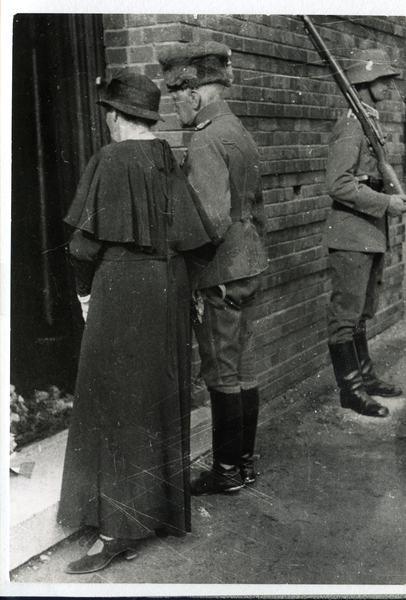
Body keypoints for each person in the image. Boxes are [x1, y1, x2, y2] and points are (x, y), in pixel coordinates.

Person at [57, 67, 218, 574]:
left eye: (108, 113)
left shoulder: (110, 159)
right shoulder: (166, 157)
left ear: (115, 116)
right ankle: (159, 513)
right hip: (167, 288)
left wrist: (84, 295)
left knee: (117, 406)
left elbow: (83, 245)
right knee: (155, 399)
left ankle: (116, 533)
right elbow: (197, 240)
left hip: (121, 291)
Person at [158, 42, 268, 495]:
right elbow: (255, 208)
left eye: (176, 96)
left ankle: (226, 472)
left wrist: (176, 251)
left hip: (219, 270)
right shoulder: (235, 128)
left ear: (194, 90)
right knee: (243, 368)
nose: (174, 105)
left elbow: (210, 220)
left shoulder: (205, 138)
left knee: (222, 372)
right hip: (248, 262)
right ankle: (243, 464)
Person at [325, 49, 406, 418]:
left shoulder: (367, 120)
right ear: (364, 80)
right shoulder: (351, 124)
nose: (389, 86)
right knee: (345, 316)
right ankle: (351, 390)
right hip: (350, 234)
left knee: (359, 314)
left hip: (368, 230)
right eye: (382, 80)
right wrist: (387, 203)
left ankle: (366, 377)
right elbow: (338, 184)